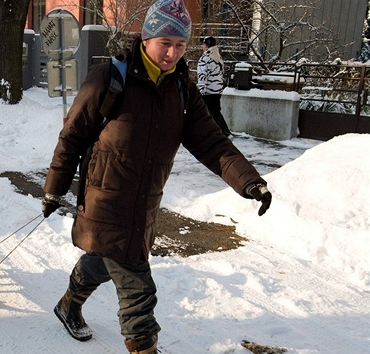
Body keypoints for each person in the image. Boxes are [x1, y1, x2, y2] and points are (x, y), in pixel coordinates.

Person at [40, 0, 272, 353]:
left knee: (104, 260)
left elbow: (212, 142)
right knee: (138, 292)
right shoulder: (110, 79)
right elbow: (72, 136)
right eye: (165, 42)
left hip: (144, 204)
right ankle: (142, 346)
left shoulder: (181, 90)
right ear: (146, 38)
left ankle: (68, 304)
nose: (172, 53)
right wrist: (54, 190)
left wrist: (249, 181)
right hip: (105, 201)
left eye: (180, 45)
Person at [197, 35, 233, 137]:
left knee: (205, 113)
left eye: (203, 44)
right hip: (217, 90)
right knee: (215, 112)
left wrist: (200, 91)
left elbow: (202, 76)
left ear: (206, 45)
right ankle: (218, 132)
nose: (203, 46)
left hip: (208, 91)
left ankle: (225, 132)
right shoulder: (218, 57)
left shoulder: (205, 58)